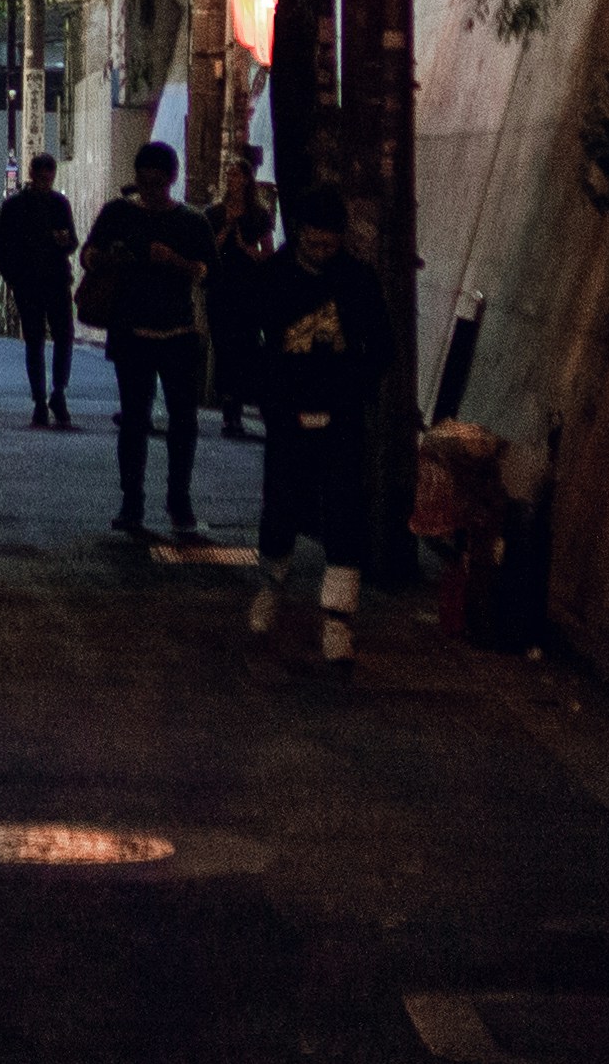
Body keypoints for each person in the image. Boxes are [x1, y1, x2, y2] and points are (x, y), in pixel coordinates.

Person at [239, 176, 390, 672]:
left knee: (346, 507)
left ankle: (338, 621)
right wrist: (266, 393)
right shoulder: (274, 274)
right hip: (287, 408)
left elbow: (380, 346)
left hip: (342, 410)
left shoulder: (357, 279)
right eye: (314, 238)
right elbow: (251, 338)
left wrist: (356, 389)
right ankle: (270, 589)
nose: (322, 248)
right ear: (299, 231)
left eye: (331, 240)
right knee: (281, 503)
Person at [79, 141, 215, 537]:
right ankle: (132, 501)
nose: (152, 192)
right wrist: (112, 258)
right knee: (134, 420)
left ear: (171, 179)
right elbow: (88, 254)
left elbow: (210, 272)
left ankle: (179, 500)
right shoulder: (117, 214)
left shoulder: (192, 222)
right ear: (137, 179)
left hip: (178, 332)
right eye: (145, 183)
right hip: (131, 331)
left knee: (183, 422)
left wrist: (178, 262)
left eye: (158, 183)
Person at [0, 150, 84, 425]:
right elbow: (2, 247)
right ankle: (45, 398)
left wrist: (64, 241)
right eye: (43, 176)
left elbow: (72, 241)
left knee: (53, 337)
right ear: (33, 175)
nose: (46, 181)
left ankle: (52, 395)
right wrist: (14, 276)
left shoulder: (54, 204)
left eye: (49, 177)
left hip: (46, 279)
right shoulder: (21, 205)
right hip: (39, 279)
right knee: (44, 338)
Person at [212, 170, 276, 441]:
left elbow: (268, 254)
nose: (233, 181)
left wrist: (245, 247)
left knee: (246, 348)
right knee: (225, 349)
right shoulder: (216, 212)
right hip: (222, 290)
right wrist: (226, 227)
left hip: (249, 291)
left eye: (238, 176)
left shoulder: (259, 215)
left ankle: (239, 407)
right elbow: (209, 249)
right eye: (229, 176)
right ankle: (229, 411)